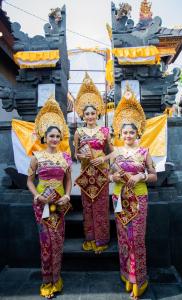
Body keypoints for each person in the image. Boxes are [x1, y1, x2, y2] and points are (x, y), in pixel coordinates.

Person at [108, 85, 157, 299]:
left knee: (136, 238)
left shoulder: (144, 152)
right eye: (125, 132)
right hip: (119, 198)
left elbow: (154, 175)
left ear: (138, 132)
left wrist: (141, 176)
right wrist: (114, 177)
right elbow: (108, 176)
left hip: (139, 197)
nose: (128, 135)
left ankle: (140, 280)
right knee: (123, 238)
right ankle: (127, 275)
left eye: (131, 132)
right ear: (120, 133)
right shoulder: (115, 153)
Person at [27, 96, 72, 299]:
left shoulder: (65, 158)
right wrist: (37, 196)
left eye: (57, 136)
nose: (55, 139)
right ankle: (47, 282)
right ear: (45, 137)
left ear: (61, 138)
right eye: (51, 136)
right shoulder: (37, 156)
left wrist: (68, 195)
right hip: (42, 205)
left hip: (59, 205)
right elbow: (29, 181)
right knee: (46, 241)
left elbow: (68, 180)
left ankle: (57, 278)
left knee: (58, 241)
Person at [74, 72, 113, 253]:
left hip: (101, 173)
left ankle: (102, 240)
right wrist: (80, 157)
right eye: (86, 113)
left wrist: (102, 158)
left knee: (101, 206)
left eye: (92, 113)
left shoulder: (104, 131)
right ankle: (90, 238)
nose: (90, 116)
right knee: (87, 206)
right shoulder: (79, 133)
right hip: (85, 174)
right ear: (82, 114)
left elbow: (112, 154)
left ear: (98, 113)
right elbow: (75, 154)